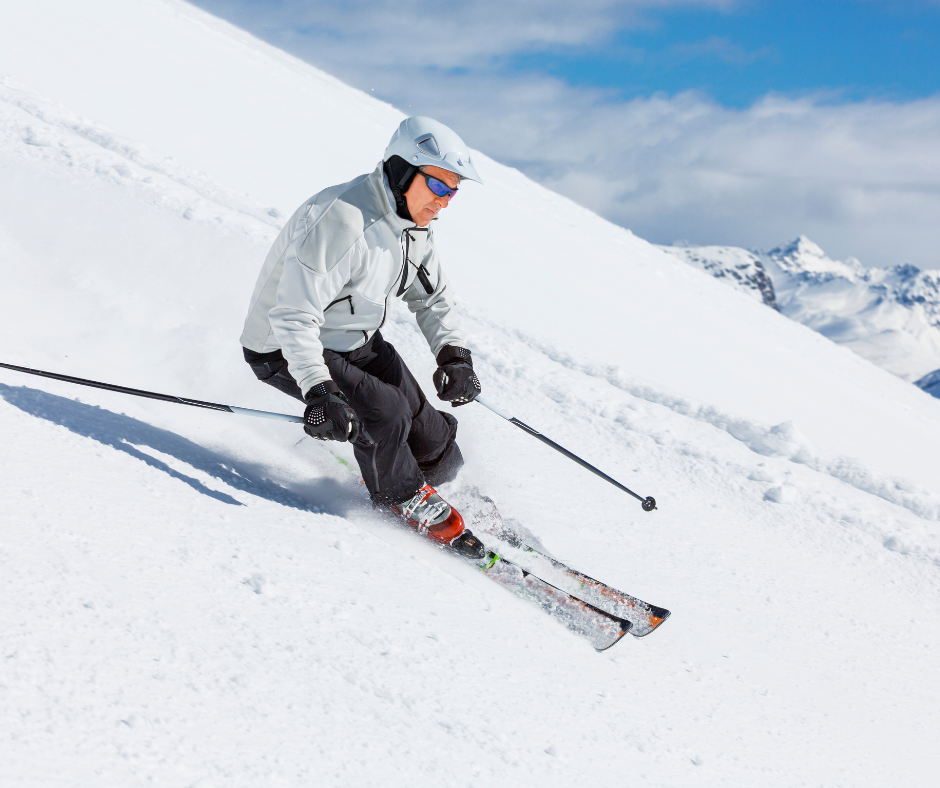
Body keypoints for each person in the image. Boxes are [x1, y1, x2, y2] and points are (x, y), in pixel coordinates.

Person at [240, 117, 485, 558]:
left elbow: (432, 297)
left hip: (354, 342)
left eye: (454, 191)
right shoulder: (341, 221)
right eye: (440, 187)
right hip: (284, 345)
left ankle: (446, 484)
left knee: (429, 432)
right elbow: (294, 317)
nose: (446, 202)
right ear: (404, 171)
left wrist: (454, 356)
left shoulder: (412, 225)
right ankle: (402, 497)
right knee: (385, 415)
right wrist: (320, 391)